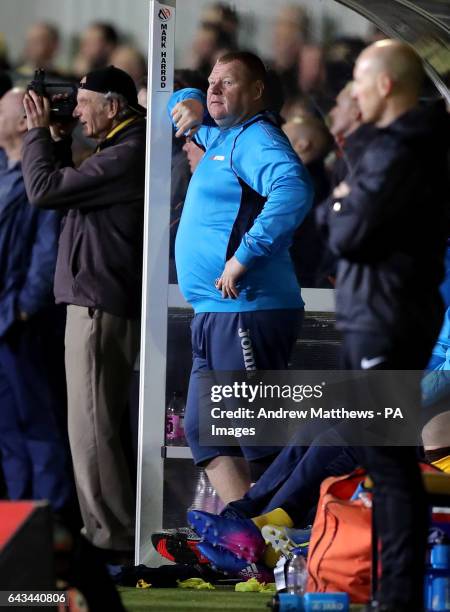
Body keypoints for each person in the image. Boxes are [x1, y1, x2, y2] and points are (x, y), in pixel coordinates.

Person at [320, 40, 449, 611]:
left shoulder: (404, 148)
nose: (351, 92)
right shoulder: (384, 147)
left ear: (387, 86)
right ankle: (392, 591)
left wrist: (345, 198)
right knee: (380, 457)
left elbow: (348, 232)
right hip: (371, 314)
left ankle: (397, 596)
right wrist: (344, 199)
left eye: (359, 81)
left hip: (390, 319)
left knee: (390, 463)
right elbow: (333, 218)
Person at [167, 51, 313, 505]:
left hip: (249, 308)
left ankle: (286, 544)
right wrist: (194, 94)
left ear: (256, 92)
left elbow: (293, 188)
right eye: (211, 82)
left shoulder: (258, 139)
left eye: (227, 83)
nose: (214, 90)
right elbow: (183, 101)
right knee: (204, 433)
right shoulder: (222, 137)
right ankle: (246, 540)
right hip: (217, 313)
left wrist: (243, 257)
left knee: (256, 438)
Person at [21, 66, 146, 561]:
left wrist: (35, 134)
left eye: (83, 103)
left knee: (91, 429)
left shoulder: (128, 151)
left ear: (113, 106)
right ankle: (109, 533)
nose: (74, 111)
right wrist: (52, 141)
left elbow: (44, 191)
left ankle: (111, 539)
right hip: (95, 299)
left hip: (98, 305)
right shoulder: (119, 145)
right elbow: (58, 189)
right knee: (94, 426)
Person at [0, 87, 74, 515]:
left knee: (39, 429)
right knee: (9, 431)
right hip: (3, 321)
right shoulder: (5, 170)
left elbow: (47, 252)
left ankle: (51, 528)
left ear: (26, 120)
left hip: (21, 323)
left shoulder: (34, 173)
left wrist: (24, 308)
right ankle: (16, 525)